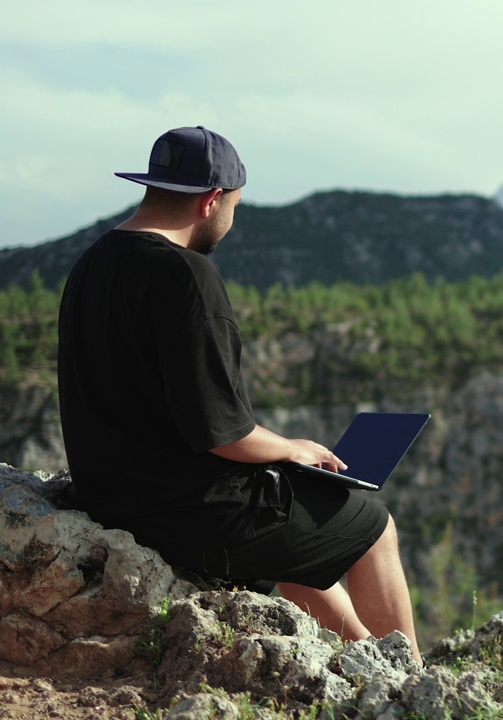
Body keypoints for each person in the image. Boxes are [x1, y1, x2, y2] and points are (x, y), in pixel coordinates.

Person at [57, 126, 420, 661]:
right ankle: (410, 672)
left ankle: (369, 657)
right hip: (187, 514)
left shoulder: (93, 262)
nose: (231, 222)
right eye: (234, 207)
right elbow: (222, 433)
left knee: (302, 525)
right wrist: (294, 449)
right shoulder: (186, 275)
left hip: (111, 496)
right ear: (210, 201)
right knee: (371, 524)